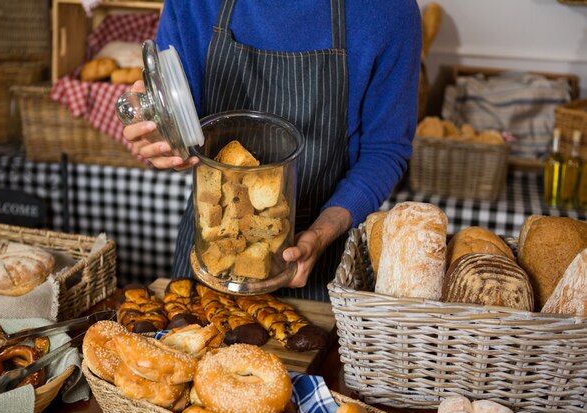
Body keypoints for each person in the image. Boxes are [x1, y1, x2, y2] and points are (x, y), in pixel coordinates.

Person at [122, 0, 421, 301]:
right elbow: (180, 127)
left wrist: (322, 233)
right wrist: (160, 140)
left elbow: (384, 150)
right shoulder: (194, 4)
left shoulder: (386, 11)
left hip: (320, 261)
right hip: (211, 244)